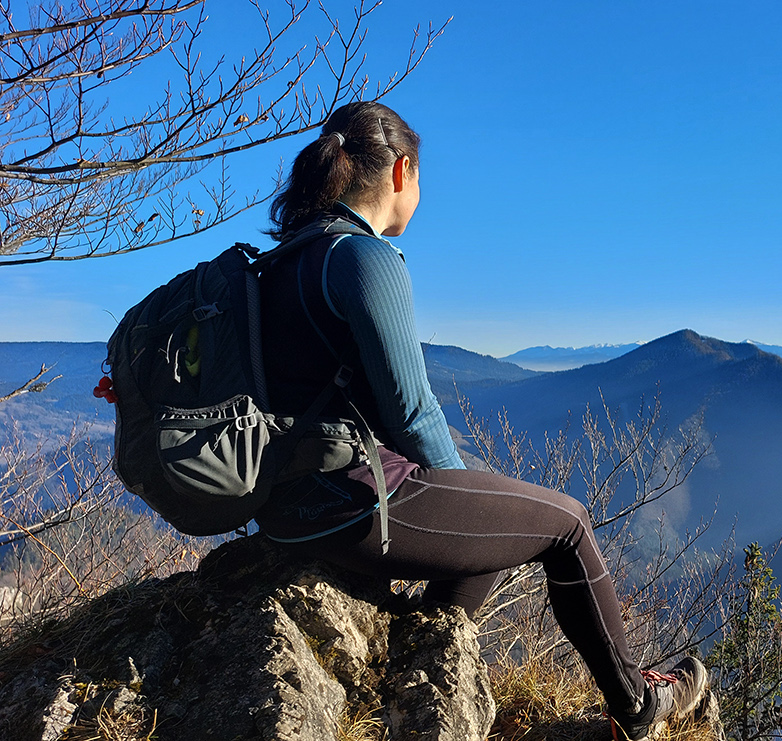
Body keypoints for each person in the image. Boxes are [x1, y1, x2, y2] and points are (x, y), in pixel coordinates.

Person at [253, 100, 706, 740]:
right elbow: (411, 412)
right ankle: (638, 704)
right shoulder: (362, 258)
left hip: (283, 509)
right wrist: (464, 485)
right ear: (402, 172)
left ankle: (423, 661)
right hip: (348, 506)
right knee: (566, 523)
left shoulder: (281, 262)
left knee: (490, 518)